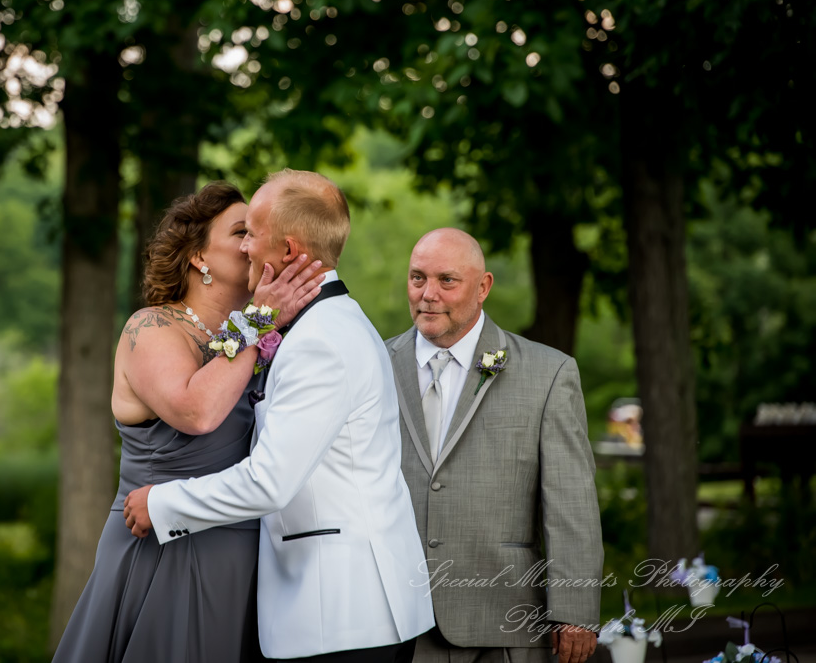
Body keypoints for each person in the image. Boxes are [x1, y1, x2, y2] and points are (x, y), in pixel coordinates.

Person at [124, 169, 435, 662]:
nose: (245, 246)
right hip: (334, 608)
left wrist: (164, 505)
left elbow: (270, 482)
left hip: (341, 613)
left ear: (288, 251)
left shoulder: (319, 341)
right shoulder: (320, 325)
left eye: (251, 232)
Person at [53, 182, 324, 662]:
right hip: (162, 545)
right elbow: (197, 412)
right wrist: (262, 319)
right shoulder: (152, 327)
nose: (250, 244)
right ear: (198, 255)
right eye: (241, 231)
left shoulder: (259, 333)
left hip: (247, 551)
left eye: (257, 233)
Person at [385, 228, 604, 663]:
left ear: (483, 287)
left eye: (447, 280)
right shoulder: (373, 364)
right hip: (395, 619)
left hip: (504, 619)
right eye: (417, 278)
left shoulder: (548, 373)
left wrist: (575, 609)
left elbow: (570, 500)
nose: (428, 294)